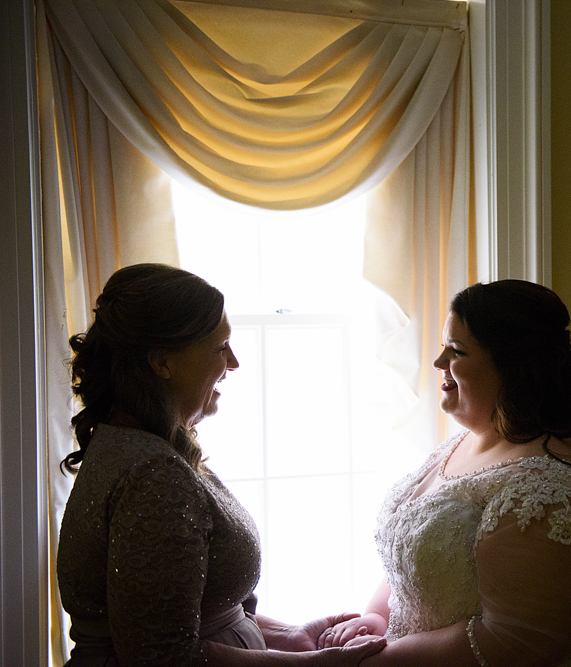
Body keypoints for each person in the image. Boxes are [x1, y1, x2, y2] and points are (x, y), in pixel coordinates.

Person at [57, 263, 385, 667]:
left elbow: (181, 615)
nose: (233, 362)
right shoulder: (153, 476)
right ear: (162, 362)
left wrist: (288, 635)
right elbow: (165, 657)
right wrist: (314, 665)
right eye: (220, 347)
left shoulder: (140, 448)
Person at [322, 280, 571, 666]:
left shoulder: (555, 488)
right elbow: (419, 556)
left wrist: (377, 660)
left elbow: (513, 644)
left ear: (513, 367)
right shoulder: (458, 445)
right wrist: (377, 617)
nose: (439, 362)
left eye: (457, 351)